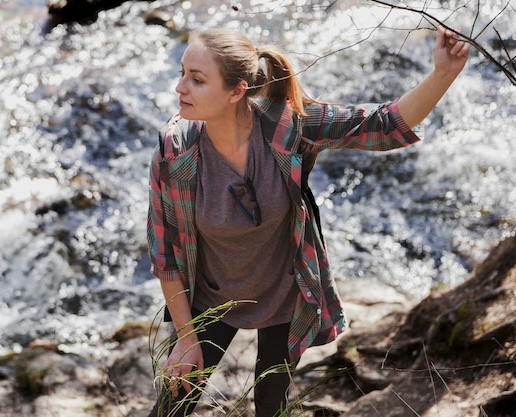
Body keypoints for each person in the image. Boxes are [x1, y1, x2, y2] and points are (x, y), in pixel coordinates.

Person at [146, 25, 469, 417]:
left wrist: (443, 74)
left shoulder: (290, 126)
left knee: (270, 406)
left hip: (285, 297)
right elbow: (164, 254)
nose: (180, 87)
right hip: (211, 298)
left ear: (236, 92)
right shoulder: (174, 148)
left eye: (196, 80)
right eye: (182, 73)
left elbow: (384, 125)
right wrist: (185, 336)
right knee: (171, 407)